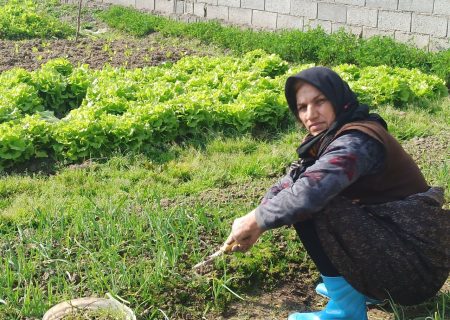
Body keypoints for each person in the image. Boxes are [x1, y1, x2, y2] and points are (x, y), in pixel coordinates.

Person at [224, 66, 450, 320]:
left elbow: (308, 193)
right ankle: (358, 289)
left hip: (416, 270)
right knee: (299, 197)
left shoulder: (355, 141)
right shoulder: (331, 137)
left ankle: (346, 310)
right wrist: (255, 216)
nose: (310, 114)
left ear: (339, 100)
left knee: (313, 204)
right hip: (401, 254)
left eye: (320, 101)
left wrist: (258, 221)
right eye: (302, 107)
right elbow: (292, 180)